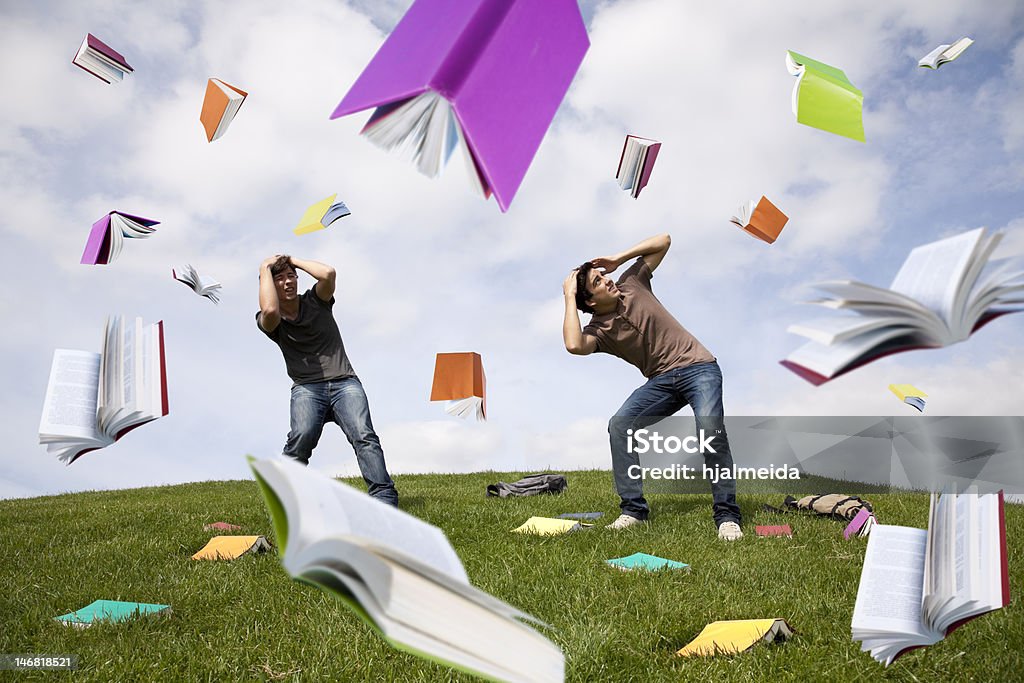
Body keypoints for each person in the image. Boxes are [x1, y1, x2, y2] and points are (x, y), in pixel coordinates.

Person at [561, 234, 742, 539]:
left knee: (709, 431)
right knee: (620, 425)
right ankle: (633, 511)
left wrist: (619, 257)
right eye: (598, 282)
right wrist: (568, 297)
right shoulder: (599, 331)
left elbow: (664, 241)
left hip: (700, 368)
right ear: (590, 301)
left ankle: (727, 515)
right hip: (661, 382)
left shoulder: (633, 281)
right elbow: (573, 345)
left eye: (604, 276)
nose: (607, 280)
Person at [256, 254, 398, 507]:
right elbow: (269, 309)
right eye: (280, 279)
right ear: (269, 284)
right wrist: (264, 266)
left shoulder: (315, 301)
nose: (288, 282)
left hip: (345, 383)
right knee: (302, 437)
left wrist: (292, 261)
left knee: (364, 437)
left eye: (291, 277)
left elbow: (329, 273)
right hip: (307, 389)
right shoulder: (270, 320)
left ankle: (384, 499)